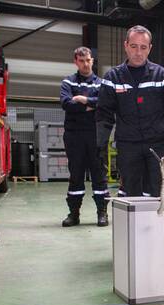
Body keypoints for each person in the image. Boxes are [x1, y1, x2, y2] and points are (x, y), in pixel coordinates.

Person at [96, 25, 164, 197]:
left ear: (150, 48)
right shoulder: (112, 78)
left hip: (157, 145)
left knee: (158, 192)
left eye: (143, 47)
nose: (138, 52)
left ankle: (154, 225)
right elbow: (104, 114)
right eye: (134, 46)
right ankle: (137, 225)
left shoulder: (161, 75)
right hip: (128, 145)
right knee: (131, 193)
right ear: (126, 45)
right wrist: (100, 143)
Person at [60, 47, 109, 227]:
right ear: (76, 62)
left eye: (88, 60)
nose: (85, 64)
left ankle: (102, 213)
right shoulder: (68, 82)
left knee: (99, 175)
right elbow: (66, 103)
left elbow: (105, 103)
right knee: (76, 175)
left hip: (96, 136)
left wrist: (84, 100)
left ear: (92, 60)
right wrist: (88, 107)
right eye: (82, 61)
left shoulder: (101, 83)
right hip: (74, 137)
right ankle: (74, 214)